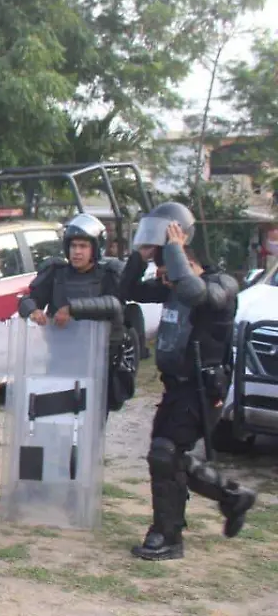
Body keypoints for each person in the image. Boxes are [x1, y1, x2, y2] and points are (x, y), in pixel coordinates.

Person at [119, 202, 256, 561]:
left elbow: (196, 294)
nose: (164, 281)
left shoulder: (221, 285)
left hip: (202, 390)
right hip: (176, 388)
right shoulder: (171, 285)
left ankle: (168, 536)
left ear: (187, 259)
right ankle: (232, 496)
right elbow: (126, 288)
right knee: (166, 457)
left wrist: (174, 252)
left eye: (170, 272)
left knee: (165, 453)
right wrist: (142, 254)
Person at [19, 213, 135, 413]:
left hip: (96, 363)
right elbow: (26, 300)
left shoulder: (109, 275)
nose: (77, 252)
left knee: (89, 428)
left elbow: (113, 305)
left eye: (83, 246)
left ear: (95, 248)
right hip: (59, 359)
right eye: (73, 246)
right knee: (55, 421)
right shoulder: (56, 273)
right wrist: (33, 310)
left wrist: (72, 309)